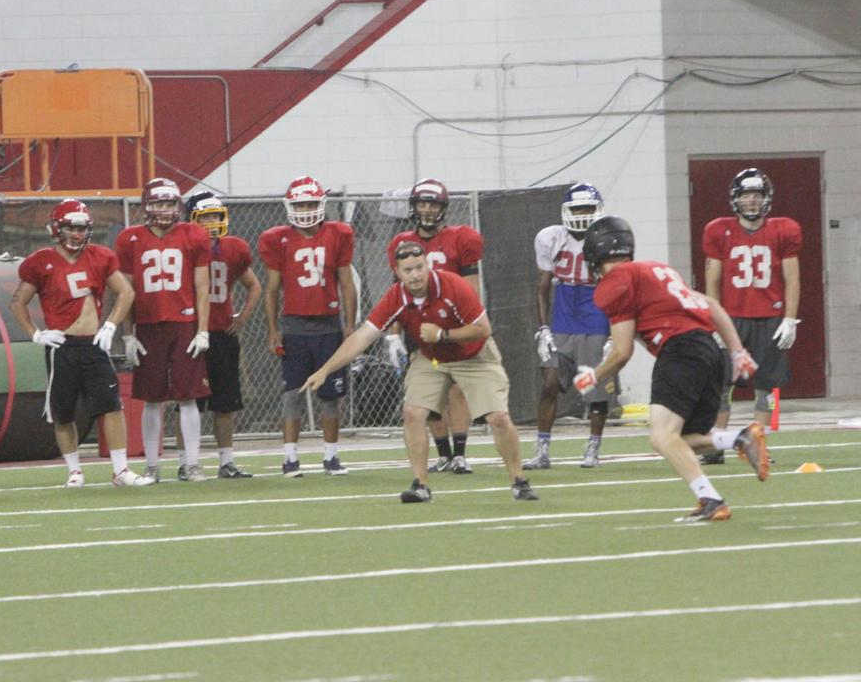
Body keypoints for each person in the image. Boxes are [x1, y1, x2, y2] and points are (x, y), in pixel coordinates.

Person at [303, 241, 537, 503]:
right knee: (413, 412)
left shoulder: (452, 286)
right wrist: (325, 370)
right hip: (432, 358)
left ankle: (519, 481)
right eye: (408, 270)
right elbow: (362, 337)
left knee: (498, 417)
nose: (415, 275)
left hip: (474, 356)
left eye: (419, 268)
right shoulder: (396, 297)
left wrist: (442, 334)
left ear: (428, 266)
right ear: (397, 272)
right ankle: (420, 485)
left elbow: (483, 329)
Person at [573, 216, 768, 522]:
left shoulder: (615, 282)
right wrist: (737, 351)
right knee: (685, 437)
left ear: (594, 253)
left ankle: (711, 500)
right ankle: (739, 439)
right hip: (710, 350)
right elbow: (712, 306)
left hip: (681, 351)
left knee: (662, 437)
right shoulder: (656, 269)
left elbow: (622, 352)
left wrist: (594, 376)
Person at [10, 199, 152, 488]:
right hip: (61, 345)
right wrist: (36, 334)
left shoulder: (100, 256)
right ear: (57, 229)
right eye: (71, 228)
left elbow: (126, 293)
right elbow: (17, 302)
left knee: (112, 406)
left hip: (93, 344)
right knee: (63, 412)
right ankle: (74, 470)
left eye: (81, 228)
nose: (77, 234)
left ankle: (121, 470)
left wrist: (110, 324)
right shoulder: (40, 262)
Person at [700, 168, 801, 464]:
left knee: (765, 389)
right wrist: (715, 321)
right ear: (736, 199)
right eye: (746, 195)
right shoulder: (719, 230)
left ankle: (758, 446)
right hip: (732, 319)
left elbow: (792, 279)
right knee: (722, 387)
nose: (752, 201)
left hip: (770, 319)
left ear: (767, 198)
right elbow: (712, 281)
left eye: (757, 195)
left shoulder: (783, 230)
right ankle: (715, 445)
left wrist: (790, 318)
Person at [114, 178, 212, 483]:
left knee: (188, 397)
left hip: (185, 323)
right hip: (148, 325)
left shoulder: (194, 234)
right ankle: (152, 466)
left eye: (170, 203)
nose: (165, 209)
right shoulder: (129, 238)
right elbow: (126, 291)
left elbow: (202, 286)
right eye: (159, 203)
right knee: (152, 398)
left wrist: (203, 330)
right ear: (147, 206)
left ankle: (192, 464)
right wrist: (128, 334)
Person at [260, 176, 357, 478]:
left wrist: (350, 325)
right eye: (300, 205)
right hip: (295, 327)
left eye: (310, 204)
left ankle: (331, 456)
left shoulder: (338, 234)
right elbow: (271, 289)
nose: (304, 210)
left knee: (331, 396)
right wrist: (273, 330)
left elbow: (346, 283)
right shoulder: (277, 239)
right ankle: (290, 459)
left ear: (321, 204)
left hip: (329, 325)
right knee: (292, 394)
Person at [385, 178, 482, 474]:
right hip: (419, 325)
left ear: (443, 208)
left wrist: (467, 325)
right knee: (431, 393)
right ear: (413, 206)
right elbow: (397, 293)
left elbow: (472, 289)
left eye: (433, 204)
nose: (427, 209)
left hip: (452, 324)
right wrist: (393, 335)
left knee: (457, 388)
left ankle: (460, 453)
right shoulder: (400, 243)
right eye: (422, 203)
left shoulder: (461, 237)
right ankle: (444, 454)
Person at [525, 183, 619, 470]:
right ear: (566, 211)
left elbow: (618, 289)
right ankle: (542, 450)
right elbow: (543, 287)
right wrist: (543, 328)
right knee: (549, 385)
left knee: (595, 390)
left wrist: (614, 332)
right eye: (577, 209)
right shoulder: (551, 238)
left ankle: (593, 448)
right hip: (563, 318)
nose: (582, 215)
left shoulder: (608, 238)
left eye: (587, 209)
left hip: (596, 317)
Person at [186, 191, 262, 478]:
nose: (211, 222)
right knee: (188, 402)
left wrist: (242, 317)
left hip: (221, 333)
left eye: (215, 216)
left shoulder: (234, 248)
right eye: (205, 217)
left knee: (225, 403)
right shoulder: (184, 248)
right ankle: (187, 461)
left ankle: (226, 462)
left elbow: (253, 285)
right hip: (192, 332)